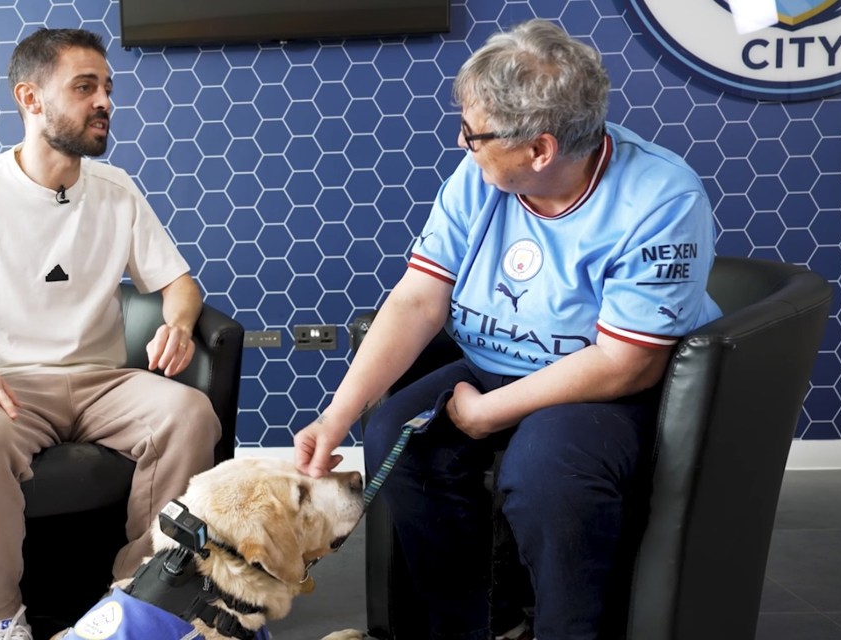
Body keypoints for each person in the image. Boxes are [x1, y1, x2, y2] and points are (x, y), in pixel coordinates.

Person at [294, 18, 722, 640]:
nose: (463, 143)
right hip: (490, 362)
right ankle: (472, 627)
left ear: (540, 149)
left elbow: (627, 362)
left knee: (545, 471)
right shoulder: (479, 177)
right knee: (395, 431)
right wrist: (336, 416)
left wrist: (489, 413)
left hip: (601, 384)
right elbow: (417, 301)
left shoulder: (661, 198)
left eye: (474, 134)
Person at [0, 28, 221, 640]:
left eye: (107, 88)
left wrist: (178, 321)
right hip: (1, 385)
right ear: (30, 99)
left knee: (190, 412)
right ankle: (4, 616)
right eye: (85, 88)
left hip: (101, 382)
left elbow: (180, 282)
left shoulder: (117, 191)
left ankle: (138, 597)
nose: (104, 101)